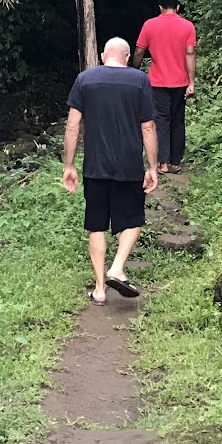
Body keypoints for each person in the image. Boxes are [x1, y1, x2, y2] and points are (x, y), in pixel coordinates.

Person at [62, 37, 158, 306]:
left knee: (96, 225)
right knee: (133, 219)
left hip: (95, 165)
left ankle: (100, 290)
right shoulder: (139, 81)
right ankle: (117, 267)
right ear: (127, 58)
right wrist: (152, 167)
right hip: (129, 165)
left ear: (104, 56)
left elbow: (72, 127)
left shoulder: (84, 80)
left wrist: (69, 166)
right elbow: (148, 127)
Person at [135, 0, 197, 173]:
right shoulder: (187, 26)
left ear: (160, 7)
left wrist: (135, 70)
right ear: (177, 7)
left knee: (161, 119)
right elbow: (190, 53)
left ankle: (162, 162)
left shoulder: (149, 25)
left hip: (157, 81)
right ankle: (176, 162)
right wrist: (191, 82)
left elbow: (139, 51)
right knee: (178, 120)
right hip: (180, 81)